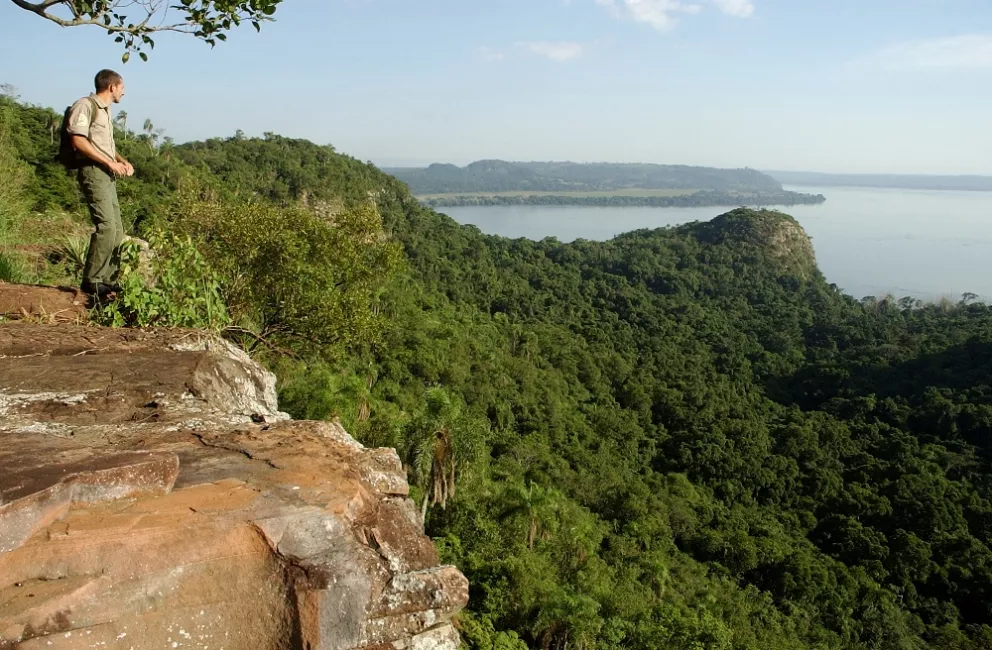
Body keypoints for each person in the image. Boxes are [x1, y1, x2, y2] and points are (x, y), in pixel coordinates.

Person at [66, 69, 134, 298]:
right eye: (122, 88)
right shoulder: (85, 105)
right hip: (93, 172)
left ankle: (107, 280)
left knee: (117, 231)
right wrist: (110, 163)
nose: (123, 92)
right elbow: (78, 140)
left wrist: (122, 162)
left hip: (107, 173)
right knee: (106, 226)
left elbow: (106, 147)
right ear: (112, 87)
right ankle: (92, 280)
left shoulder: (106, 112)